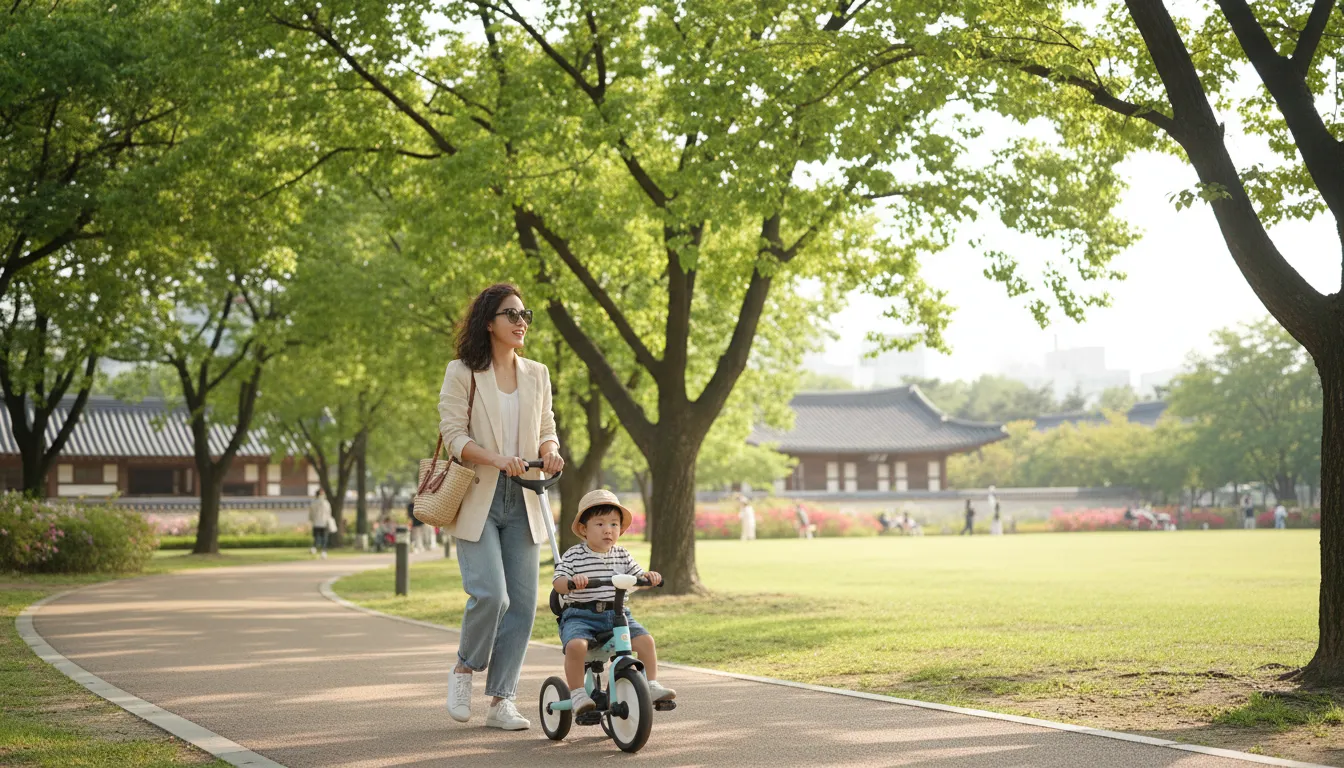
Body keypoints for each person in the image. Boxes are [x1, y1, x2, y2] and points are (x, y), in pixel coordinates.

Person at [440, 283, 565, 731]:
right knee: (492, 595)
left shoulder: (538, 373)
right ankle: (463, 668)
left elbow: (546, 427)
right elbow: (454, 435)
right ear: (488, 322)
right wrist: (495, 458)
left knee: (525, 604)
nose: (521, 321)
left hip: (527, 497)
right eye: (511, 314)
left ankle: (501, 700)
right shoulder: (462, 372)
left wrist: (549, 449)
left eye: (524, 314)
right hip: (479, 495)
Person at [554, 489, 675, 714]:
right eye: (600, 524)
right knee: (575, 646)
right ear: (583, 529)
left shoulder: (622, 555)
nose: (608, 530)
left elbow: (639, 577)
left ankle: (649, 684)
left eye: (614, 524)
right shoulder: (574, 555)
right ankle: (578, 693)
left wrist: (649, 577)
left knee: (646, 642)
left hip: (618, 615)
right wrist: (571, 581)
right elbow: (558, 583)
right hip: (582, 615)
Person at [308, 488, 332, 559]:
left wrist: (312, 520)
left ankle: (314, 548)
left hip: (316, 523)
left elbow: (311, 514)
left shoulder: (313, 503)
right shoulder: (326, 503)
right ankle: (324, 552)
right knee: (324, 538)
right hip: (324, 523)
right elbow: (329, 513)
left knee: (316, 537)